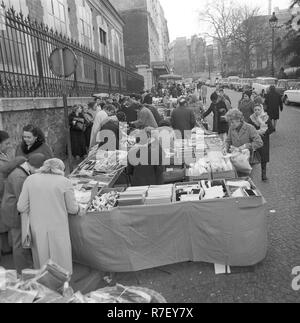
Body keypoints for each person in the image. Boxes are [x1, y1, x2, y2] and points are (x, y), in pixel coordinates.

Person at [17, 159, 80, 274]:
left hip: (37, 227)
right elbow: (73, 209)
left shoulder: (30, 179)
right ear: (61, 169)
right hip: (58, 227)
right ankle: (62, 286)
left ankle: (44, 287)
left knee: (41, 261)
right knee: (61, 261)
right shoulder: (64, 181)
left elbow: (21, 207)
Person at [1, 153, 47, 273]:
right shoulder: (20, 177)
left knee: (21, 240)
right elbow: (24, 199)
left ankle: (26, 267)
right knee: (19, 243)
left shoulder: (23, 169)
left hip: (14, 210)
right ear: (34, 167)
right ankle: (23, 272)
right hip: (14, 213)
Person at [0, 131, 27, 259]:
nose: (9, 145)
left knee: (4, 225)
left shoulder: (3, 155)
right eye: (6, 143)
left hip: (5, 195)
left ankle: (5, 248)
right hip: (4, 195)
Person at [225, 109, 263, 177]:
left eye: (232, 122)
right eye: (230, 122)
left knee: (246, 178)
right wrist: (225, 147)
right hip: (235, 159)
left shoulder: (250, 128)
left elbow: (259, 142)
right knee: (236, 177)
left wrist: (246, 146)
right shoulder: (231, 128)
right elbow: (228, 140)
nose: (231, 124)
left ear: (238, 120)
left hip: (246, 160)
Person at [249, 105, 275, 181]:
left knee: (264, 158)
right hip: (255, 141)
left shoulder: (266, 118)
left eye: (258, 109)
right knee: (252, 158)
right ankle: (250, 175)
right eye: (255, 109)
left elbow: (271, 129)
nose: (257, 111)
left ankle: (263, 175)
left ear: (261, 110)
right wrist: (256, 133)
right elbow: (248, 128)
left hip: (264, 141)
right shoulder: (251, 119)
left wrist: (264, 132)